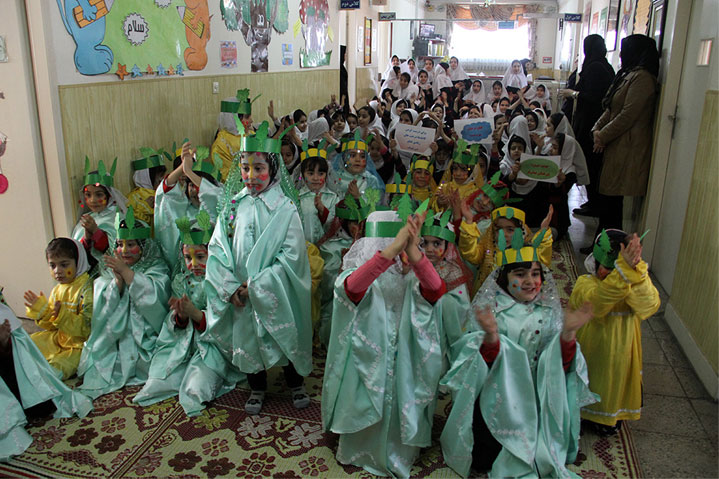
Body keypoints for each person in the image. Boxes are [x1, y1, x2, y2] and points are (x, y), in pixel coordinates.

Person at [322, 208, 468, 478]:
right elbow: (352, 288)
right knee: (365, 404)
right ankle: (359, 448)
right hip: (366, 360)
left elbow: (436, 290)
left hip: (405, 360)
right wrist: (390, 252)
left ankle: (397, 452)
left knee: (400, 405)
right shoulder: (359, 273)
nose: (402, 257)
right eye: (394, 247)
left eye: (407, 248)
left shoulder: (415, 275)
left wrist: (413, 252)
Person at [440, 229, 597, 477]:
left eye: (535, 274)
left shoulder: (548, 313)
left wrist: (567, 335)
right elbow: (473, 365)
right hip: (499, 396)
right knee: (484, 458)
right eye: (520, 274)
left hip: (535, 396)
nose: (530, 281)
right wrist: (491, 337)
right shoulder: (492, 313)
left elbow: (560, 365)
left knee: (538, 452)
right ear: (504, 278)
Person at [204, 121, 313, 415]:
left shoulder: (284, 208)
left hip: (275, 289)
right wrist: (230, 286)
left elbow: (292, 256)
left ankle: (295, 382)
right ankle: (257, 385)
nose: (251, 176)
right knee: (249, 339)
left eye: (259, 168)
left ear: (273, 169)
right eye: (245, 168)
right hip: (239, 289)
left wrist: (257, 285)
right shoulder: (233, 207)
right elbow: (218, 248)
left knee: (284, 333)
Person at [572, 230, 660, 435]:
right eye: (609, 269)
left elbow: (649, 304)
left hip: (622, 350)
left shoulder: (632, 286)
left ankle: (607, 417)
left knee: (614, 384)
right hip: (592, 348)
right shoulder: (585, 284)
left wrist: (635, 274)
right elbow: (598, 304)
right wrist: (622, 274)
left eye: (619, 271)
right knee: (589, 379)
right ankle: (581, 413)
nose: (614, 275)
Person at [77, 206, 170, 399]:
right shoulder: (112, 267)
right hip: (118, 336)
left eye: (131, 244)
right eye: (120, 244)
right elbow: (104, 298)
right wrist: (118, 282)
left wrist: (128, 274)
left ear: (143, 246)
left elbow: (156, 297)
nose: (124, 250)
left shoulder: (155, 266)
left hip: (146, 334)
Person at [133, 213, 221, 415]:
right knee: (160, 378)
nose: (193, 264)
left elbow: (225, 323)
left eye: (201, 257)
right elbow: (174, 325)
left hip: (212, 347)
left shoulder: (219, 282)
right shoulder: (181, 281)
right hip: (183, 343)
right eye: (188, 257)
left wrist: (196, 314)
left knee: (196, 387)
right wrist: (180, 315)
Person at [588, 34, 659, 248]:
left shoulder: (643, 79)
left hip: (627, 147)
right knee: (607, 199)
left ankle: (609, 247)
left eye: (625, 50)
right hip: (614, 144)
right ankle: (602, 244)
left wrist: (603, 135)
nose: (620, 55)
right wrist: (596, 130)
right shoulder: (628, 74)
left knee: (612, 201)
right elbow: (611, 108)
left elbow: (628, 115)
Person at [0, 300, 93, 461]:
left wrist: (55, 313)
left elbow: (85, 328)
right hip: (54, 339)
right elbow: (49, 325)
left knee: (36, 372)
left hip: (76, 344)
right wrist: (43, 311)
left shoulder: (86, 293)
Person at [560, 35, 615, 218]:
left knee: (591, 164)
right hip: (593, 122)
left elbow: (593, 97)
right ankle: (593, 202)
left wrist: (573, 93)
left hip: (592, 124)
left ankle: (595, 204)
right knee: (591, 164)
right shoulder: (603, 65)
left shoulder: (595, 68)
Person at [24, 238, 93, 379]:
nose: (57, 271)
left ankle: (43, 378)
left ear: (78, 262)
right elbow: (51, 327)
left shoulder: (86, 288)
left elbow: (86, 328)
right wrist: (42, 312)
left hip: (79, 346)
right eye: (52, 265)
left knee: (58, 366)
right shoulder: (57, 290)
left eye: (64, 265)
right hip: (59, 339)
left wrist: (61, 315)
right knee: (27, 344)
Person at [154, 142, 222, 271]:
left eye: (199, 186)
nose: (195, 191)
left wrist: (189, 172)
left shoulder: (220, 207)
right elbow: (165, 195)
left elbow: (214, 196)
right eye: (191, 185)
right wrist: (182, 168)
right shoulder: (183, 209)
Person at [72, 157, 127, 275]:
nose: (93, 200)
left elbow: (117, 250)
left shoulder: (118, 218)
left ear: (109, 195)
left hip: (110, 275)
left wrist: (96, 232)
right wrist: (87, 238)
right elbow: (77, 251)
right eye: (88, 195)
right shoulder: (85, 218)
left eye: (99, 195)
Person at [211, 89, 258, 181]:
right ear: (233, 119)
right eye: (247, 117)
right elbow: (227, 177)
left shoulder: (251, 135)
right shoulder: (221, 145)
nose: (251, 120)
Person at [328, 129, 384, 199]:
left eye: (362, 156)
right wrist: (345, 199)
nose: (358, 160)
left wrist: (358, 197)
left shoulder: (371, 180)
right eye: (353, 155)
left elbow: (375, 203)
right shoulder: (333, 176)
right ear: (344, 157)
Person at [127, 147, 168, 227]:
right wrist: (145, 207)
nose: (162, 179)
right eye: (159, 175)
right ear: (146, 177)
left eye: (163, 175)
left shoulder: (164, 193)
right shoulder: (133, 198)